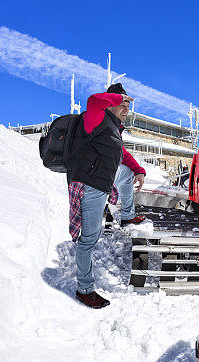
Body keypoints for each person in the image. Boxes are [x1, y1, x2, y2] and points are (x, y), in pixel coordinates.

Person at [67, 83, 134, 309]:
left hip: (100, 183)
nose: (126, 107)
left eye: (127, 104)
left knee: (127, 175)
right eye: (121, 104)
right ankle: (84, 289)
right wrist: (117, 97)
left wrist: (140, 171)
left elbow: (123, 156)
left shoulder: (114, 130)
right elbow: (94, 100)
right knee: (88, 240)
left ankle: (128, 215)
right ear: (111, 103)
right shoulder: (96, 117)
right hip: (89, 184)